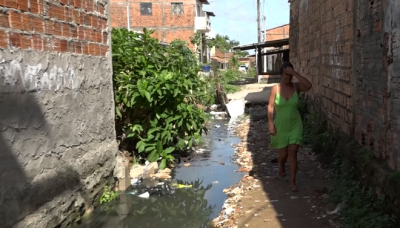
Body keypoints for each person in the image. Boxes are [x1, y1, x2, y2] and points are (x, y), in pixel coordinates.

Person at [267, 61, 312, 192]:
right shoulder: (275, 88)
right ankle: (281, 163)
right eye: (286, 74)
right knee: (284, 154)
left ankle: (293, 182)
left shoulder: (296, 87)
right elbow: (270, 107)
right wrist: (270, 123)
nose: (288, 77)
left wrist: (295, 73)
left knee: (293, 153)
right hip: (280, 125)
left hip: (295, 124)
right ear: (282, 74)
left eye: (290, 75)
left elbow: (309, 86)